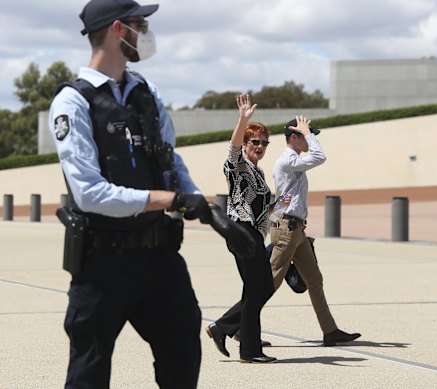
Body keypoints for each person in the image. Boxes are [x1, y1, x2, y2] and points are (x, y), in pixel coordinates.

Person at [49, 0, 253, 387]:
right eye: (140, 24)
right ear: (116, 30)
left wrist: (210, 211)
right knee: (88, 372)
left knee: (182, 356)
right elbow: (90, 193)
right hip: (102, 264)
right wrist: (173, 201)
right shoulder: (73, 101)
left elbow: (169, 161)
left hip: (160, 257)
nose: (146, 33)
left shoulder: (146, 92)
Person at [269, 115, 361, 347]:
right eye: (306, 136)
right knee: (270, 281)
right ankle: (237, 325)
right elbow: (320, 156)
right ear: (293, 137)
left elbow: (283, 198)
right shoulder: (288, 160)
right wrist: (307, 132)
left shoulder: (294, 161)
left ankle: (330, 331)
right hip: (288, 229)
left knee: (314, 280)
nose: (310, 141)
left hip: (296, 229)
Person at [205, 94, 277, 363]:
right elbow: (232, 149)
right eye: (254, 142)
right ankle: (249, 349)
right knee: (258, 288)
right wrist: (242, 120)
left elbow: (257, 206)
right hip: (241, 232)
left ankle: (223, 328)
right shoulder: (238, 166)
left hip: (253, 235)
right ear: (246, 143)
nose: (260, 146)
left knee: (261, 288)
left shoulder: (257, 172)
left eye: (264, 142)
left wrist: (276, 206)